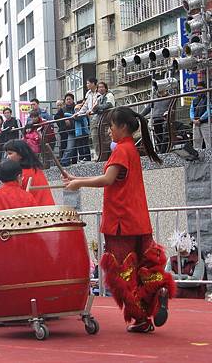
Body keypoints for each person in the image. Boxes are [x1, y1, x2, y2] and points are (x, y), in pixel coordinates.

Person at [63, 107, 175, 333]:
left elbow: (107, 179)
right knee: (145, 265)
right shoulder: (131, 150)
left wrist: (79, 183)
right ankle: (159, 290)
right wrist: (76, 179)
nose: (108, 131)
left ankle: (141, 318)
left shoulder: (121, 151)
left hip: (120, 222)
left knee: (123, 272)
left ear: (122, 127)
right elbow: (112, 179)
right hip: (138, 219)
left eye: (111, 127)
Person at [4, 140, 54, 206]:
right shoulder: (36, 170)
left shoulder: (22, 174)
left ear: (21, 154)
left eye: (10, 153)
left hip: (36, 212)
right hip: (47, 210)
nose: (7, 157)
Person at [165, 231, 206, 299]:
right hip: (175, 297)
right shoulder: (172, 260)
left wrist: (175, 278)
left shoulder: (198, 261)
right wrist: (187, 277)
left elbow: (196, 281)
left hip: (194, 298)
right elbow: (166, 277)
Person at [75, 78, 101, 159]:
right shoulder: (88, 94)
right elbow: (85, 105)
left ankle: (104, 156)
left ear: (93, 83)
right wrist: (78, 113)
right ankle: (98, 156)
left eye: (88, 83)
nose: (87, 85)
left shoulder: (99, 92)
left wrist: (91, 110)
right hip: (92, 119)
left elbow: (98, 103)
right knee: (94, 138)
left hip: (100, 117)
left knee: (102, 137)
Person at [142, 89, 172, 153]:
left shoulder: (170, 98)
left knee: (165, 136)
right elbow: (147, 109)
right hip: (156, 119)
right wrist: (140, 115)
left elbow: (172, 108)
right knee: (158, 136)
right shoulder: (154, 99)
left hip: (165, 119)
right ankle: (160, 150)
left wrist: (167, 114)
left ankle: (164, 150)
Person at [91, 81, 116, 160]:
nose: (101, 89)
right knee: (96, 138)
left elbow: (109, 105)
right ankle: (100, 156)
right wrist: (97, 108)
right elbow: (95, 109)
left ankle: (111, 155)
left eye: (102, 87)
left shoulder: (109, 95)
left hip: (107, 120)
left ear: (105, 88)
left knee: (108, 138)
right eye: (99, 87)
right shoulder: (99, 98)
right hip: (99, 121)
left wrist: (98, 107)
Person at [58, 93, 77, 167]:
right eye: (67, 99)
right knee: (70, 147)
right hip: (71, 131)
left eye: (70, 99)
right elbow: (56, 117)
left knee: (82, 146)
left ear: (73, 100)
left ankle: (84, 159)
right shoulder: (63, 109)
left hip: (80, 129)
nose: (68, 101)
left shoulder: (77, 107)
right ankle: (64, 162)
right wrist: (64, 122)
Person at [190, 82, 210, 149]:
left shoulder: (209, 98)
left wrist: (200, 119)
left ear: (205, 89)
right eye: (197, 89)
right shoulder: (195, 100)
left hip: (206, 122)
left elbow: (209, 110)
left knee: (208, 141)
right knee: (196, 142)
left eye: (200, 89)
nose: (199, 90)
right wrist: (193, 120)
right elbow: (191, 110)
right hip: (196, 122)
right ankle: (198, 157)